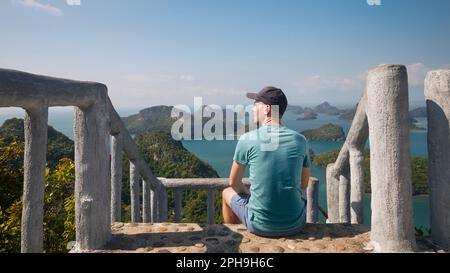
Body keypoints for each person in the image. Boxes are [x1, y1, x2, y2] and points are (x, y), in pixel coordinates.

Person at [222, 86, 311, 237]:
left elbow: (233, 183)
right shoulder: (300, 140)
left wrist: (247, 193)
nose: (252, 108)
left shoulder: (247, 139)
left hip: (260, 225)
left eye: (256, 104)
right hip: (296, 223)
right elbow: (303, 184)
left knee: (226, 192)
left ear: (267, 109)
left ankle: (234, 237)